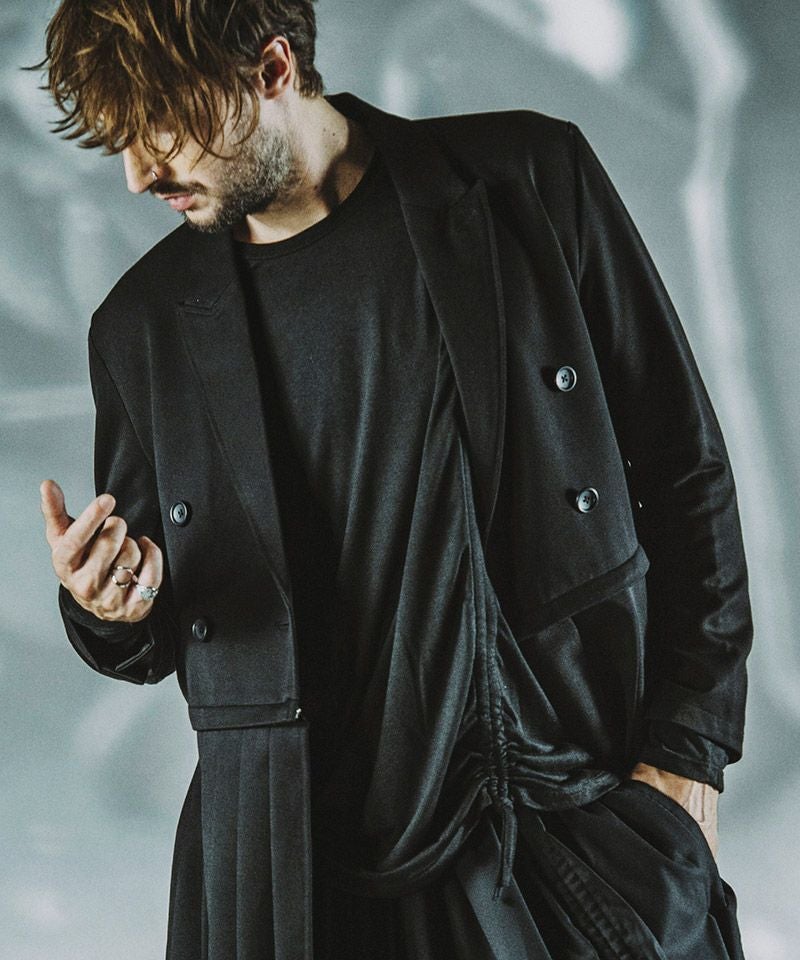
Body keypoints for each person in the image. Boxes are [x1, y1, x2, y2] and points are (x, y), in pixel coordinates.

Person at [36, 1, 753, 957]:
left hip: (561, 824)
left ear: (272, 70)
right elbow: (158, 622)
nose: (136, 174)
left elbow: (683, 467)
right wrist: (107, 607)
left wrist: (688, 753)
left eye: (160, 126)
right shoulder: (143, 329)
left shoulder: (527, 181)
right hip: (296, 879)